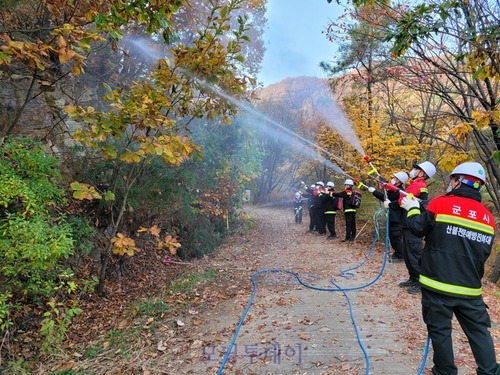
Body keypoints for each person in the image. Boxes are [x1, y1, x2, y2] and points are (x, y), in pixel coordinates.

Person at [400, 161, 499, 375]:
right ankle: (491, 371)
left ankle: (445, 371)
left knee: (440, 331)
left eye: (452, 179)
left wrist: (411, 209)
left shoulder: (440, 204)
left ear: (458, 181)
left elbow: (418, 229)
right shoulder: (488, 218)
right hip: (470, 289)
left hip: (437, 285)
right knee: (479, 332)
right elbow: (483, 253)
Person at [396, 161, 436, 294]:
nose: (412, 170)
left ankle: (420, 281)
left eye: (416, 168)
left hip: (414, 224)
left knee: (414, 252)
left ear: (422, 173)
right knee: (408, 253)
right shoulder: (414, 184)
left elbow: (402, 200)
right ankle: (413, 277)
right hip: (409, 223)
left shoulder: (418, 185)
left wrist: (395, 201)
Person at [369, 171, 408, 262]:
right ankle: (397, 253)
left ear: (399, 181)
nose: (393, 179)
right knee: (392, 236)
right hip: (393, 216)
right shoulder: (395, 189)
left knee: (396, 236)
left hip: (397, 218)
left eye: (395, 178)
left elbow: (387, 199)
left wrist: (378, 191)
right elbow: (386, 198)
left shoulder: (399, 190)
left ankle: (400, 255)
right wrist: (375, 191)